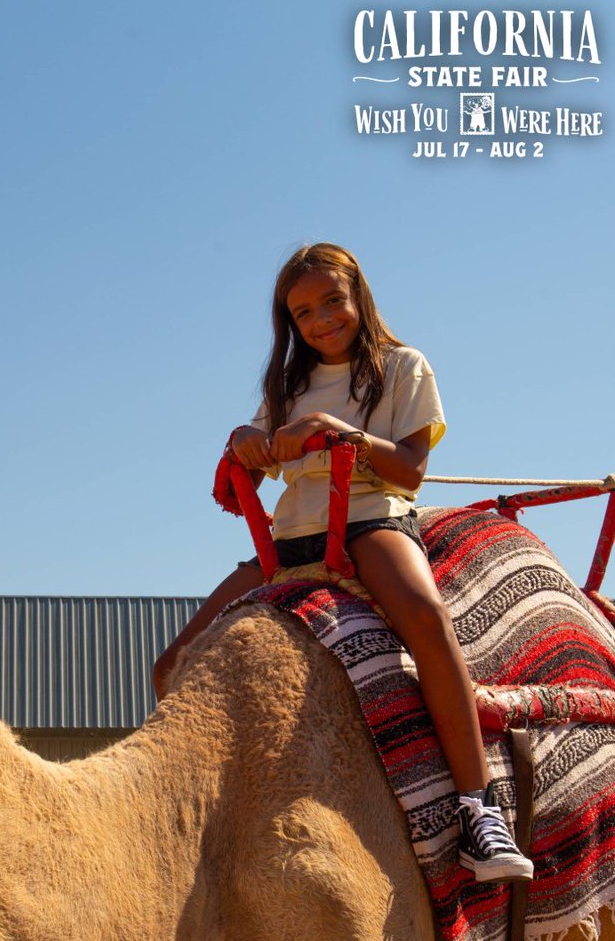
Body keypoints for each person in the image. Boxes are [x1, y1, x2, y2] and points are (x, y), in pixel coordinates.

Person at [153, 242, 533, 883]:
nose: (321, 319)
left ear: (358, 295)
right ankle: (203, 818)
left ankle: (478, 808)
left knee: (426, 617)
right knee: (171, 665)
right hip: (290, 539)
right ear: (290, 324)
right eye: (303, 312)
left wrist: (340, 432)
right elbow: (255, 468)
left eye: (333, 301)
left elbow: (410, 470)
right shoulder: (287, 387)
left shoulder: (403, 367)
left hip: (369, 519)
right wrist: (246, 442)